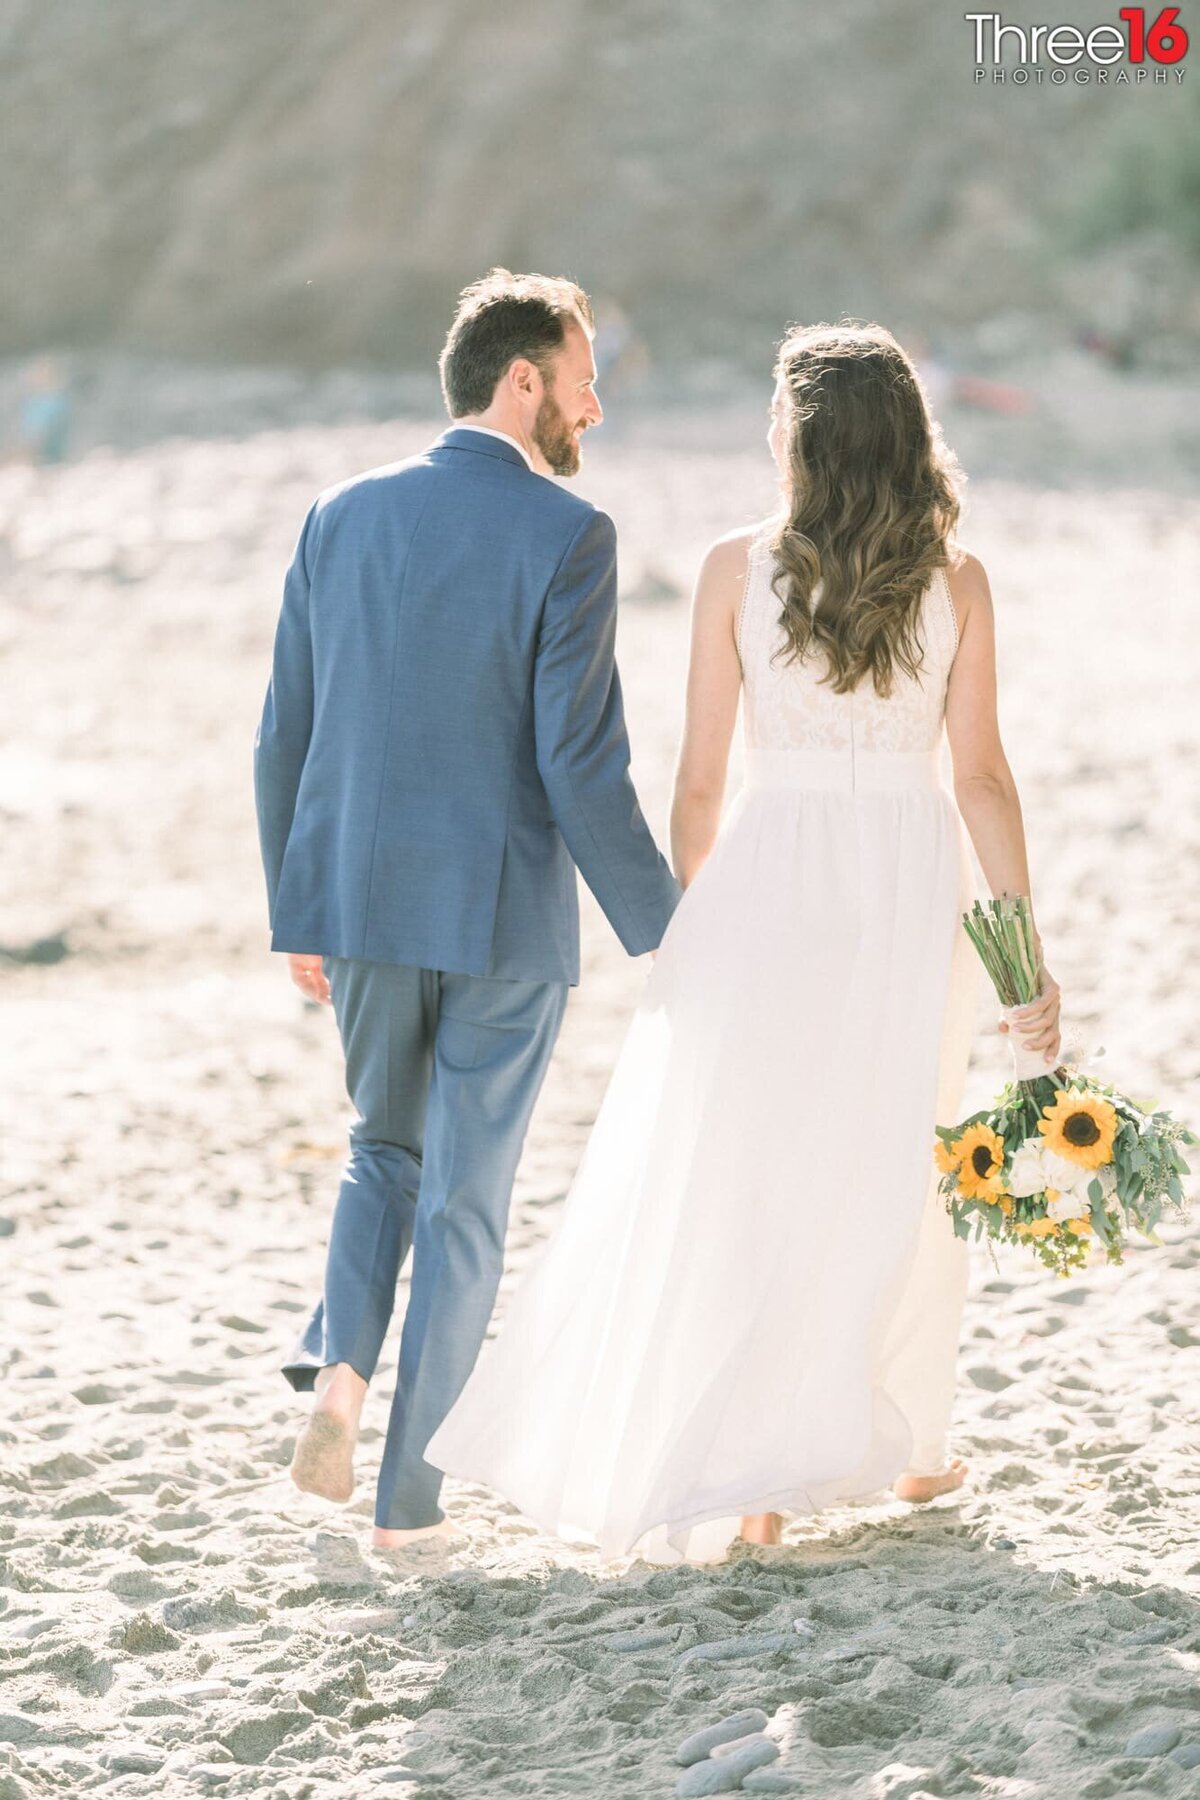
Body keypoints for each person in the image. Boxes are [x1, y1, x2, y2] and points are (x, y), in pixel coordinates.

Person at [426, 320, 1062, 1564]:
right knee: (896, 1153)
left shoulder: (734, 569)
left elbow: (700, 785)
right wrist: (1021, 960)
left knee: (756, 1163)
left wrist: (687, 933)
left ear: (802, 438)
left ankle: (760, 1484)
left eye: (778, 415)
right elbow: (981, 779)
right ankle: (912, 1442)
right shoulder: (958, 580)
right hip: (908, 884)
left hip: (765, 880)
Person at [253, 269, 680, 1548]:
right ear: (523, 379)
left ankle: (339, 1380)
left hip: (363, 906)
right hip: (499, 920)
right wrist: (666, 927)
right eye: (584, 373)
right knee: (467, 1206)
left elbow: (287, 730)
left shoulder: (340, 514)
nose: (595, 405)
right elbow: (580, 764)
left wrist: (299, 910)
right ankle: (407, 1507)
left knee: (384, 1148)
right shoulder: (567, 536)